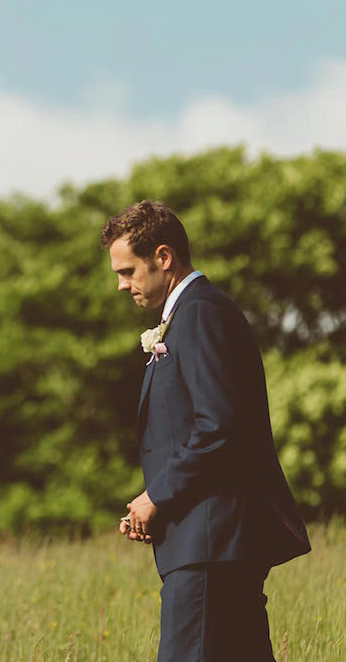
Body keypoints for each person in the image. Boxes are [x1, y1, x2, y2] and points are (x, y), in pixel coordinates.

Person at [101, 200, 310, 662]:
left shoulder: (200, 313)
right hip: (215, 542)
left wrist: (156, 497)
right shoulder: (197, 313)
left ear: (163, 256)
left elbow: (218, 427)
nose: (121, 285)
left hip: (210, 544)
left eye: (128, 270)